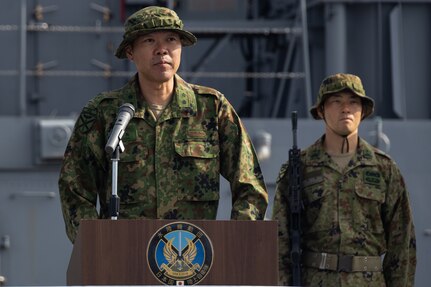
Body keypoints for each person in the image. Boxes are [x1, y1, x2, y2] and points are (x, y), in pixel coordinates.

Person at [58, 6, 268, 243]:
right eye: (149, 40)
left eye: (171, 39)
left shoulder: (211, 108)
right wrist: (97, 249)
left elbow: (249, 183)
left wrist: (232, 244)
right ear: (130, 51)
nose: (162, 50)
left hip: (195, 261)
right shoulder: (104, 112)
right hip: (125, 260)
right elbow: (75, 190)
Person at [272, 73, 416, 286]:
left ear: (363, 111)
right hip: (315, 281)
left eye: (353, 102)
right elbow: (279, 241)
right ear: (321, 110)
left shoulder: (384, 168)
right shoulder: (298, 168)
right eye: (336, 102)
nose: (346, 108)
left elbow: (402, 244)